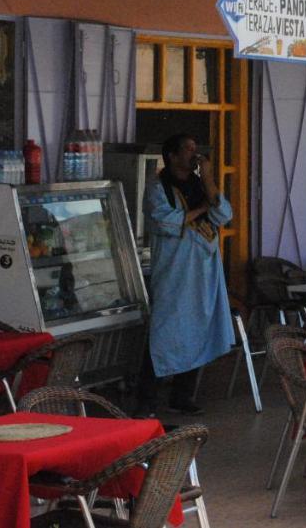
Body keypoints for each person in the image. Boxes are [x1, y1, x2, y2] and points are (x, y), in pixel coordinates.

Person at [135, 133, 234, 416]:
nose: (194, 154)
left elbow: (224, 214)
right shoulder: (158, 185)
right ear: (173, 156)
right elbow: (166, 221)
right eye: (188, 149)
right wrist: (203, 208)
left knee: (196, 329)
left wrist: (210, 181)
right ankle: (146, 401)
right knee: (164, 331)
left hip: (203, 269)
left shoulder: (200, 185)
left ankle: (182, 395)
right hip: (175, 270)